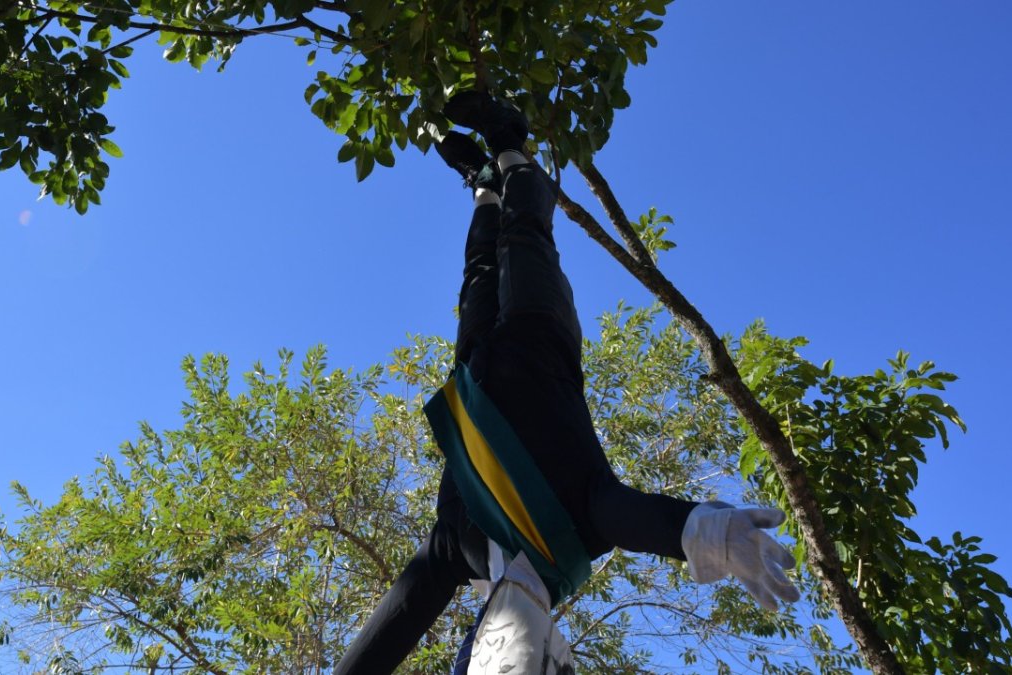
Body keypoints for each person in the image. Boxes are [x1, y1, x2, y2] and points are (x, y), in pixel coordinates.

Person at [333, 93, 800, 675]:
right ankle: (509, 143)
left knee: (478, 270)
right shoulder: (575, 538)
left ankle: (481, 184)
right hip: (540, 335)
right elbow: (643, 518)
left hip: (475, 364)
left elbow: (393, 621)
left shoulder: (459, 550)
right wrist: (712, 534)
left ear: (477, 644)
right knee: (525, 235)